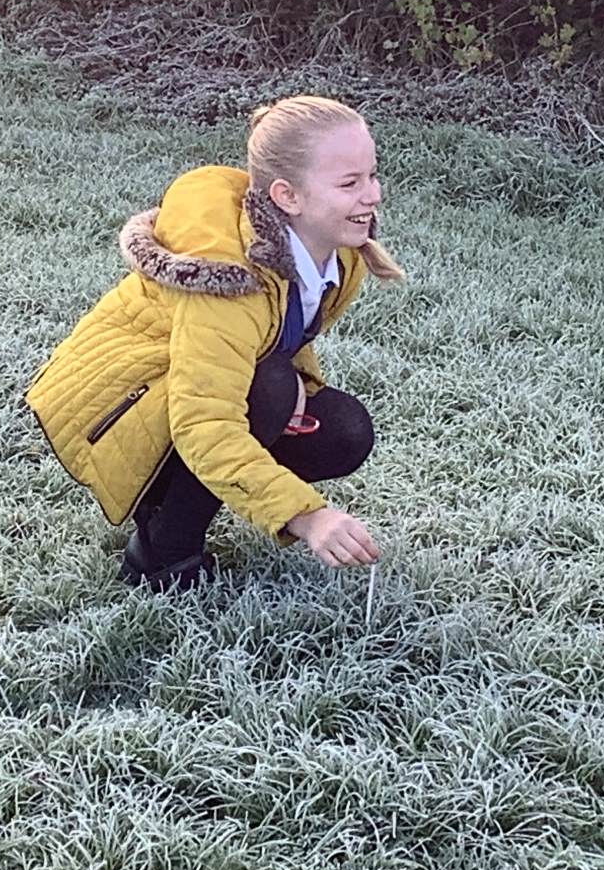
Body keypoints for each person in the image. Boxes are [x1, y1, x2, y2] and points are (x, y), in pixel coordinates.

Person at [25, 95, 405, 590]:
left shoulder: (341, 254)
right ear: (288, 197)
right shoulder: (228, 277)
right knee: (264, 392)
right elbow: (204, 424)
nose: (372, 195)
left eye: (372, 175)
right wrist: (306, 516)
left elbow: (280, 328)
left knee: (342, 430)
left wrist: (297, 381)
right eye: (349, 183)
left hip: (185, 389)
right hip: (112, 409)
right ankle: (160, 553)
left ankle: (186, 495)